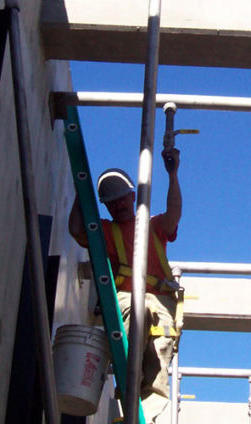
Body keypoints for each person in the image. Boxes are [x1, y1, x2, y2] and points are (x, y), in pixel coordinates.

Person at [68, 147, 182, 424]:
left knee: (159, 366)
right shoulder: (107, 230)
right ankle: (129, 395)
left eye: (121, 199)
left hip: (163, 303)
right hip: (129, 298)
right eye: (111, 202)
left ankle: (142, 417)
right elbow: (76, 231)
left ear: (133, 196)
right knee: (135, 311)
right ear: (105, 206)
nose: (117, 205)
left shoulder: (153, 226)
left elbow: (174, 214)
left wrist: (173, 174)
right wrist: (79, 194)